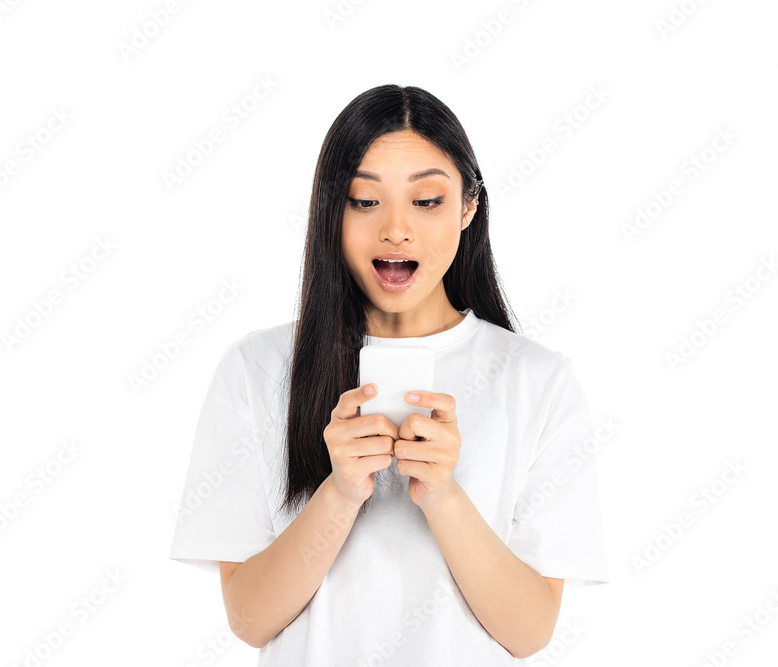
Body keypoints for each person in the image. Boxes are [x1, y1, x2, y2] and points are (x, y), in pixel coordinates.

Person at [169, 83, 610, 664]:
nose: (396, 229)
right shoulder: (257, 368)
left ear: (468, 208)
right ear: (331, 209)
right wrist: (340, 492)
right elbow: (249, 620)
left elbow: (530, 633)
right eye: (363, 200)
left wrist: (444, 497)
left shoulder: (537, 380)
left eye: (426, 201)